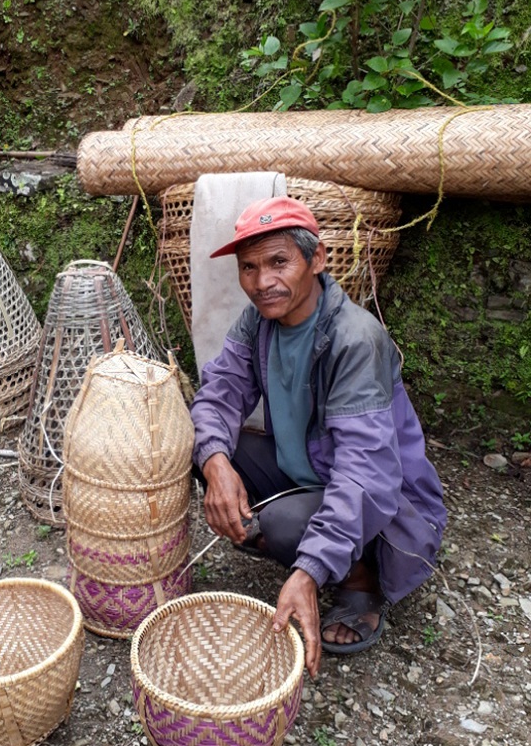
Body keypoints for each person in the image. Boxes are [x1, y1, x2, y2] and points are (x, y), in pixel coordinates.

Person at [190, 195, 447, 678]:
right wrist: (216, 465)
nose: (262, 282)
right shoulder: (259, 320)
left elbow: (366, 472)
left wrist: (306, 573)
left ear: (318, 259)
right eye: (248, 268)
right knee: (206, 443)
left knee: (286, 525)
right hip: (310, 469)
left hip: (385, 501)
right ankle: (315, 544)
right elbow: (219, 394)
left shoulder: (354, 338)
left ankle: (361, 577)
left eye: (278, 262)